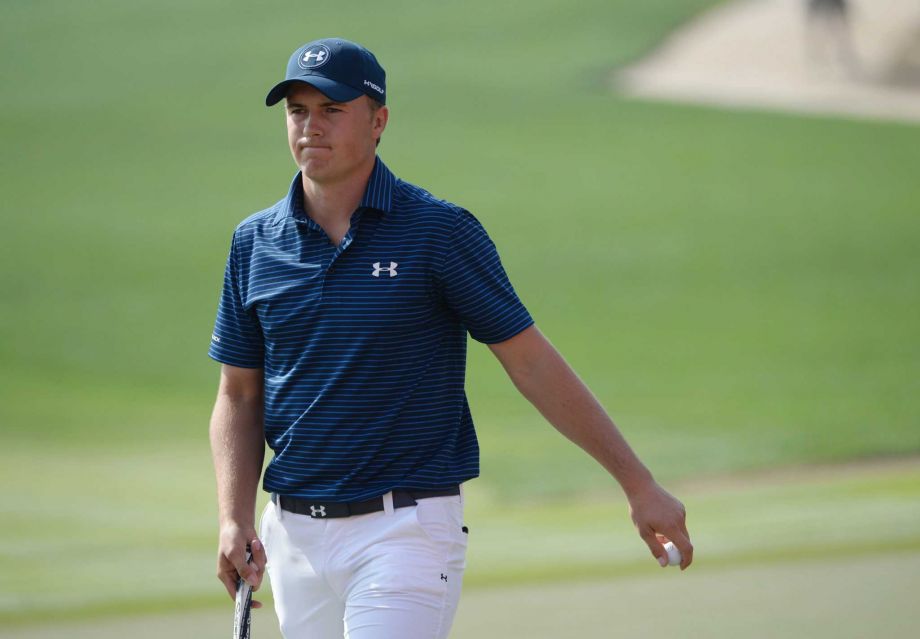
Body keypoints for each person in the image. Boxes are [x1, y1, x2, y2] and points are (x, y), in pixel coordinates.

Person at [208, 37, 693, 639]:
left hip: (404, 532)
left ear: (379, 120)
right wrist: (233, 516)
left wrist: (637, 482)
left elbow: (532, 363)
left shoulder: (437, 232)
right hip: (292, 539)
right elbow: (238, 396)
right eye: (298, 111)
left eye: (332, 110)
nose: (312, 127)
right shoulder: (255, 243)